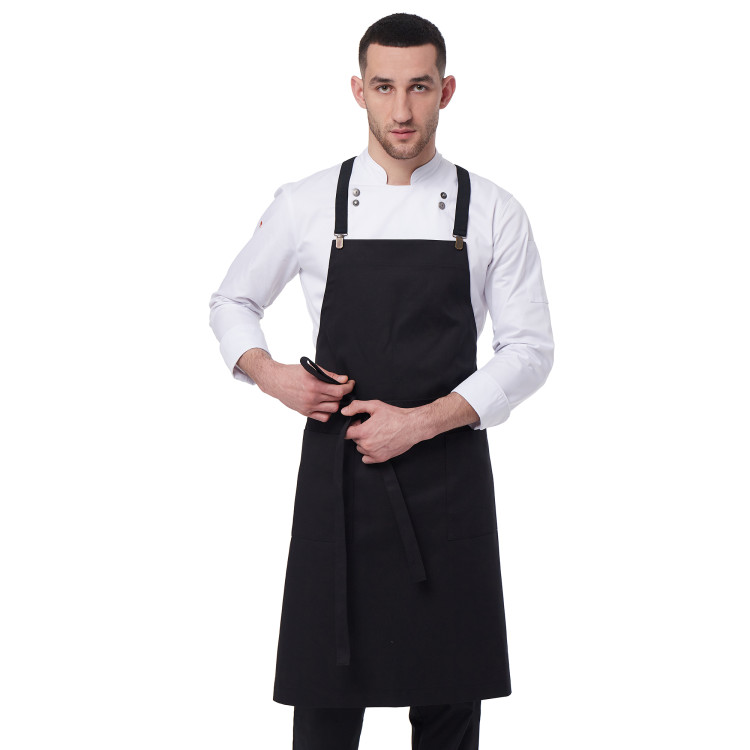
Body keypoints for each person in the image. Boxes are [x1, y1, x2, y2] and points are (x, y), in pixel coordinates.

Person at [208, 12, 554, 750]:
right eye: (385, 87)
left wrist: (419, 422)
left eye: (420, 87)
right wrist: (271, 375)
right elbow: (231, 302)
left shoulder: (492, 210)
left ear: (446, 91)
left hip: (449, 483)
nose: (402, 109)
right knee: (324, 713)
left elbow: (529, 350)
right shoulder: (307, 203)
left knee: (450, 711)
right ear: (358, 90)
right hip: (340, 484)